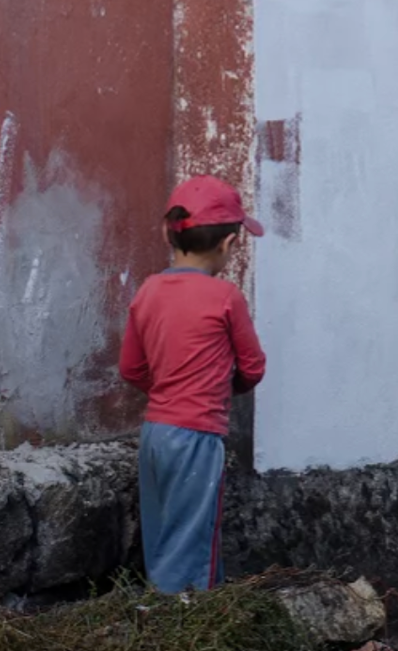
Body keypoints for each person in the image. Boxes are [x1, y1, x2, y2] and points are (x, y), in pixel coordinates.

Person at [119, 176, 267, 593]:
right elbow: (253, 367)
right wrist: (214, 388)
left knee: (166, 536)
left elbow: (132, 369)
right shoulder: (226, 298)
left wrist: (170, 390)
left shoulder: (147, 292)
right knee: (192, 545)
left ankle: (192, 615)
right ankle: (178, 629)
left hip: (155, 435)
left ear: (171, 235)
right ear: (228, 245)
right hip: (197, 437)